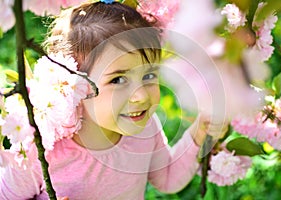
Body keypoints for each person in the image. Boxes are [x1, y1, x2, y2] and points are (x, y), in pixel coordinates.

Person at [0, 1, 225, 199]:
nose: (141, 96)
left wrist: (199, 135)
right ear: (71, 86)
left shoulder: (146, 128)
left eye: (148, 76)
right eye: (118, 80)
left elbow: (166, 180)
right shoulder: (40, 153)